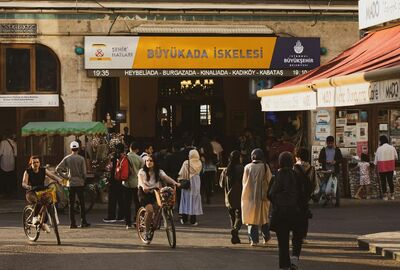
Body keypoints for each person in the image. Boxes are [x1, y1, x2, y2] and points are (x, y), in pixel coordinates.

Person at [268, 152, 306, 270]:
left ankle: (284, 265)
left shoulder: (276, 176)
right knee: (297, 237)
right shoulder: (297, 175)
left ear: (280, 162)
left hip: (280, 213)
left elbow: (270, 194)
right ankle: (294, 260)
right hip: (295, 212)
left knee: (283, 242)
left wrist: (278, 202)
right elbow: (303, 194)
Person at [138, 156, 180, 240]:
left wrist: (175, 183)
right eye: (147, 161)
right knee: (149, 210)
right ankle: (146, 231)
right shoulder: (142, 172)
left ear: (155, 162)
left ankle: (153, 220)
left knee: (161, 205)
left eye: (151, 161)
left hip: (156, 191)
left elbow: (166, 178)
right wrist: (144, 187)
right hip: (144, 192)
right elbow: (141, 181)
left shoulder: (159, 171)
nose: (148, 162)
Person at [56, 141, 90, 229]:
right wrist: (83, 179)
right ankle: (83, 221)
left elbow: (58, 169)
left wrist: (66, 177)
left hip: (70, 183)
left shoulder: (67, 158)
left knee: (71, 203)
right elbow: (84, 173)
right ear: (78, 148)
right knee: (82, 203)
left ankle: (72, 223)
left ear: (71, 149)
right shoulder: (81, 159)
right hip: (80, 183)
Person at [241, 148, 272, 246]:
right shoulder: (265, 166)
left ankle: (253, 240)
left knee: (251, 217)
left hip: (250, 196)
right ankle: (266, 238)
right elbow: (270, 180)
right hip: (263, 197)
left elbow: (244, 182)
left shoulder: (247, 167)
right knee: (264, 217)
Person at [22, 155, 60, 233]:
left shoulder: (43, 170)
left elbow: (52, 176)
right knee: (39, 201)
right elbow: (23, 183)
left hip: (41, 191)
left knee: (49, 201)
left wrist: (59, 180)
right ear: (31, 163)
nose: (36, 164)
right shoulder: (27, 171)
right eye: (34, 162)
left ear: (39, 163)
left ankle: (44, 222)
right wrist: (28, 187)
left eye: (37, 162)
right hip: (31, 192)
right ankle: (35, 217)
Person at [219, 150, 244, 244]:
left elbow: (221, 184)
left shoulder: (226, 170)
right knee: (240, 216)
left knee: (232, 216)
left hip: (228, 197)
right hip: (240, 196)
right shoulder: (242, 169)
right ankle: (235, 229)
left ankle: (234, 235)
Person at [293, 148, 316, 242]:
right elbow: (315, 184)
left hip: (296, 196)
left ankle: (296, 236)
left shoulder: (294, 167)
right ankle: (303, 236)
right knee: (304, 217)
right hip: (306, 196)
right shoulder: (311, 168)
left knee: (295, 216)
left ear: (297, 157)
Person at [178, 149, 203, 226]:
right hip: (196, 181)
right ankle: (193, 220)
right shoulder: (199, 162)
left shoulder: (186, 163)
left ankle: (184, 219)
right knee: (194, 200)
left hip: (187, 182)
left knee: (186, 199)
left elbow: (181, 173)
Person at [123, 141, 144, 229]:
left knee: (127, 204)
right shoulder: (140, 159)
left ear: (129, 148)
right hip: (137, 183)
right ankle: (137, 221)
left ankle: (128, 223)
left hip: (126, 183)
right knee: (137, 203)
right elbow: (143, 171)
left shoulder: (125, 157)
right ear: (137, 149)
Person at [103, 143, 125, 223]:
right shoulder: (125, 157)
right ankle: (121, 216)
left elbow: (109, 168)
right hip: (122, 181)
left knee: (112, 199)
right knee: (121, 199)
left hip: (113, 180)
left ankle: (111, 216)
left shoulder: (113, 157)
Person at [318, 135, 343, 206]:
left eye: (331, 143)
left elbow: (341, 159)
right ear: (326, 142)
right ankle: (326, 200)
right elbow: (320, 159)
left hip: (335, 171)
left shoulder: (337, 150)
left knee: (336, 186)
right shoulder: (323, 150)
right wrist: (326, 161)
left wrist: (335, 161)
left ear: (333, 142)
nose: (330, 145)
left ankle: (337, 202)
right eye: (328, 143)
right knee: (325, 186)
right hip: (326, 170)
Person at [374, 135, 398, 200]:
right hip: (390, 166)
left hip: (382, 167)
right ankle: (392, 195)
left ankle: (385, 196)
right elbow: (396, 157)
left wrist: (375, 164)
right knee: (390, 181)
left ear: (381, 141)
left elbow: (375, 160)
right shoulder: (392, 147)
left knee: (383, 182)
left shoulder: (379, 148)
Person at [200, 140, 218, 204]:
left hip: (205, 169)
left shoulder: (202, 150)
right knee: (211, 182)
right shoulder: (213, 151)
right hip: (213, 169)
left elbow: (202, 160)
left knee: (206, 183)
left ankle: (208, 195)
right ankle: (211, 191)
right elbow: (217, 161)